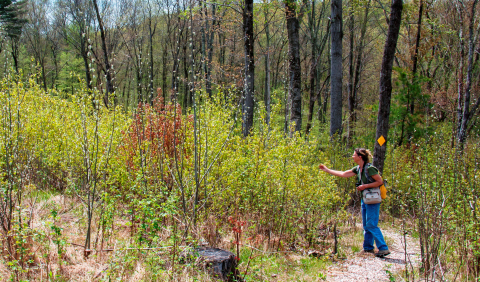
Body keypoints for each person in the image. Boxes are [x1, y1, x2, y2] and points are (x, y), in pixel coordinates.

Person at [318, 148, 391, 257]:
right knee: (366, 225)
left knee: (371, 225)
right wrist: (327, 170)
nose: (352, 156)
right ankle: (367, 248)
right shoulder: (357, 169)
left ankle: (383, 248)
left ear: (359, 157)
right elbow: (343, 174)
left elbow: (379, 182)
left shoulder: (370, 169)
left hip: (373, 200)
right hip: (365, 199)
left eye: (354, 155)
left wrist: (365, 186)